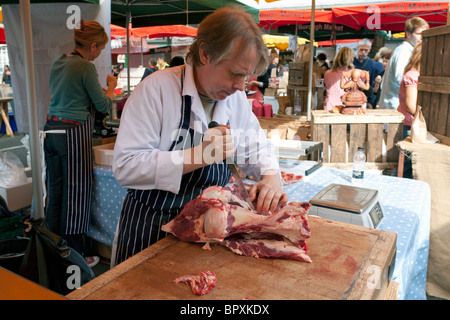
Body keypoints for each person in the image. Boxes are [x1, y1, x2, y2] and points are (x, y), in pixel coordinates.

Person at [111, 6, 287, 266]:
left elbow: (256, 146)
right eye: (235, 73)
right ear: (205, 53)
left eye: (247, 76)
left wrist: (271, 176)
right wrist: (197, 156)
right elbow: (126, 167)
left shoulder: (235, 98)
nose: (241, 86)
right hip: (150, 230)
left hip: (208, 233)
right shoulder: (156, 90)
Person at [44, 20, 117, 268]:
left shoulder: (58, 61)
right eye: (99, 49)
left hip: (51, 131)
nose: (98, 55)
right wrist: (111, 88)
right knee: (76, 193)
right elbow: (103, 105)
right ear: (93, 45)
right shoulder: (85, 67)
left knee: (55, 191)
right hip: (73, 133)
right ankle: (74, 255)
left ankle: (51, 247)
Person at [379, 17, 429, 109]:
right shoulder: (403, 51)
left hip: (398, 107)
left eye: (424, 33)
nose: (422, 37)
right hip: (394, 107)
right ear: (408, 34)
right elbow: (402, 78)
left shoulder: (409, 50)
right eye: (419, 34)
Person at [397, 42, 423, 179]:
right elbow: (411, 106)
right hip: (408, 125)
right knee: (406, 169)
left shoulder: (413, 73)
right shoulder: (413, 75)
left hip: (410, 125)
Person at [353, 38, 383, 108]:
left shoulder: (371, 63)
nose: (363, 52)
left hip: (364, 97)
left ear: (369, 50)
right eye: (361, 49)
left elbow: (371, 83)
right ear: (357, 48)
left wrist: (370, 101)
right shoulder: (351, 60)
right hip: (351, 95)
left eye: (366, 50)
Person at [323, 47, 355, 111]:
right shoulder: (353, 74)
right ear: (351, 59)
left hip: (330, 107)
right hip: (346, 108)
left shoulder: (327, 73)